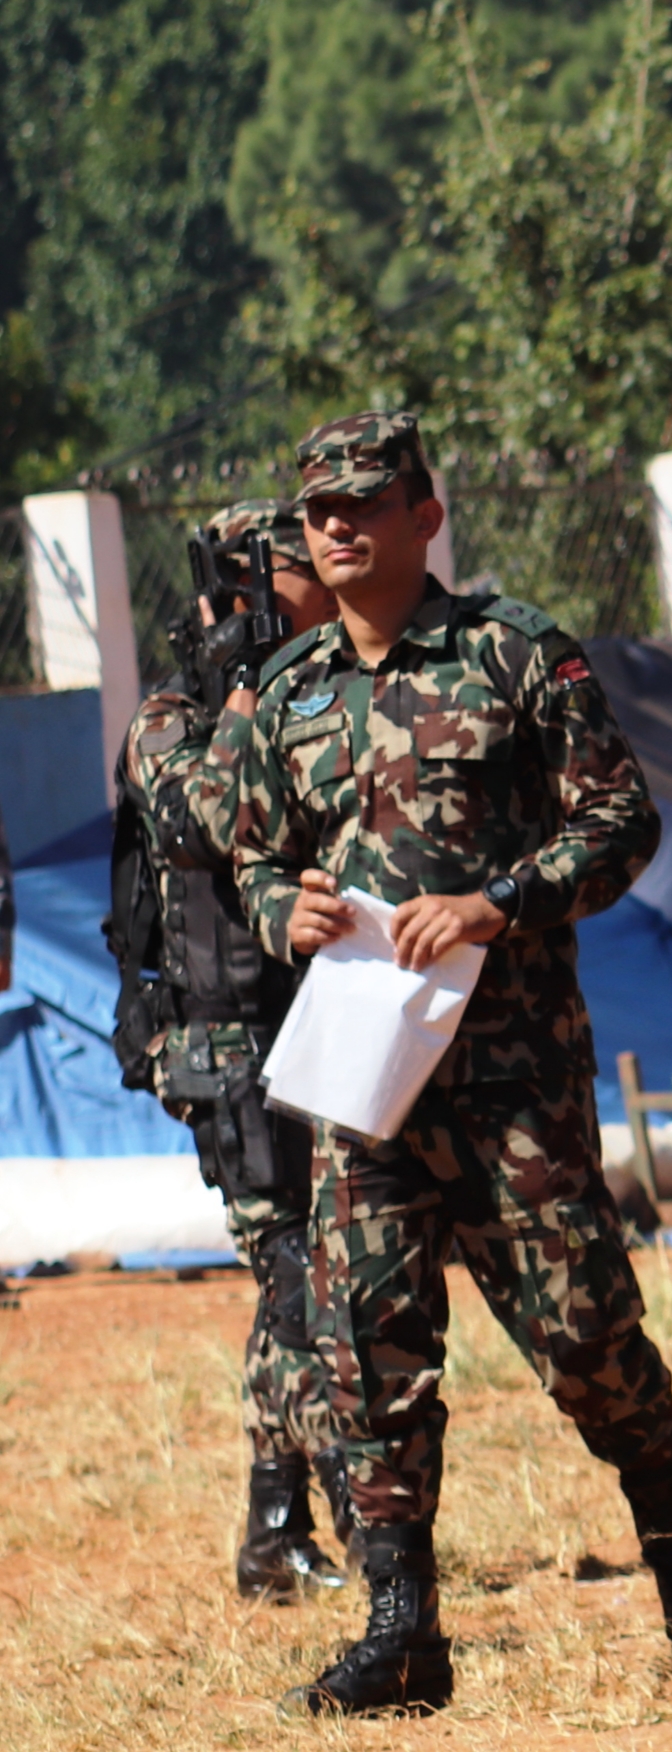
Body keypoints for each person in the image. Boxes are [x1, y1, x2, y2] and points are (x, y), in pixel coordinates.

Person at [223, 412, 672, 1717]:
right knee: (368, 1344)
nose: (336, 527)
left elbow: (623, 822)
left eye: (364, 504)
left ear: (423, 516)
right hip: (360, 1078)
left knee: (582, 1329)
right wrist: (272, 907)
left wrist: (502, 900)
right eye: (318, 512)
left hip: (509, 1069)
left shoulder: (514, 653)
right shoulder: (290, 694)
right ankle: (405, 1624)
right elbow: (250, 859)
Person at [114, 501, 345, 1600]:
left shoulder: (317, 692)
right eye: (300, 570)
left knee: (309, 1283)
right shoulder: (172, 718)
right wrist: (243, 699)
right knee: (301, 1284)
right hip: (228, 1050)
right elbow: (202, 823)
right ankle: (358, 1523)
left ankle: (275, 1533)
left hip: (323, 1030)